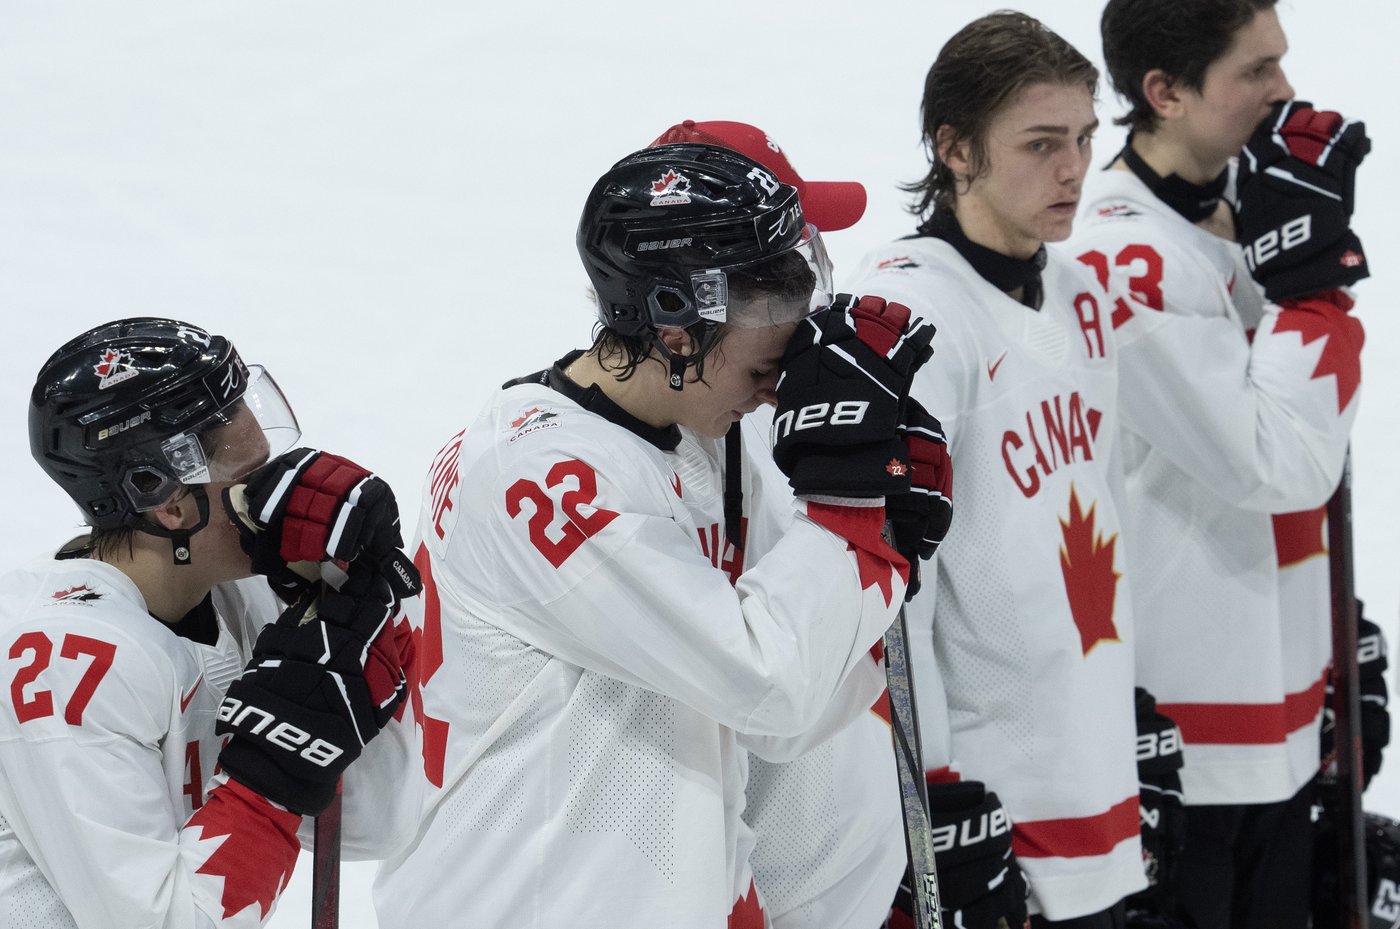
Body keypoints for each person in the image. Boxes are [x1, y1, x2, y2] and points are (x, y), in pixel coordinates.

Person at [372, 141, 945, 928]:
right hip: (521, 903)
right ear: (676, 329)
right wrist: (854, 524)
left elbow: (772, 719)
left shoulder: (693, 439)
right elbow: (767, 681)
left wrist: (882, 543)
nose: (783, 376)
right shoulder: (541, 472)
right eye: (762, 350)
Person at [1067, 2, 1367, 926]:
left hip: (1282, 709)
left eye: (1283, 61)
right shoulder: (1120, 255)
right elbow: (1273, 460)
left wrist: (1339, 629)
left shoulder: (1263, 205)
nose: (1286, 90)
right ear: (1165, 92)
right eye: (1255, 71)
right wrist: (1315, 290)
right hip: (1186, 735)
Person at [851, 12, 1145, 926]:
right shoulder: (910, 313)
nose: (1073, 170)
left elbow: (1095, 521)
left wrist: (1137, 708)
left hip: (1094, 784)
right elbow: (898, 590)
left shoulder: (1078, 291)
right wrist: (930, 797)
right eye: (1041, 143)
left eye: (1086, 140)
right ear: (955, 149)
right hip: (993, 807)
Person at [0, 317, 418, 928]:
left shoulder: (242, 595)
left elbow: (374, 825)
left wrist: (356, 597)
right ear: (166, 501)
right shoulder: (64, 661)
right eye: (252, 482)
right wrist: (274, 767)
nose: (281, 498)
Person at [649, 118, 911, 929]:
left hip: (839, 883)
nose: (811, 286)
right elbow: (765, 700)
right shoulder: (669, 465)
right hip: (772, 894)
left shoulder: (769, 421)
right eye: (795, 258)